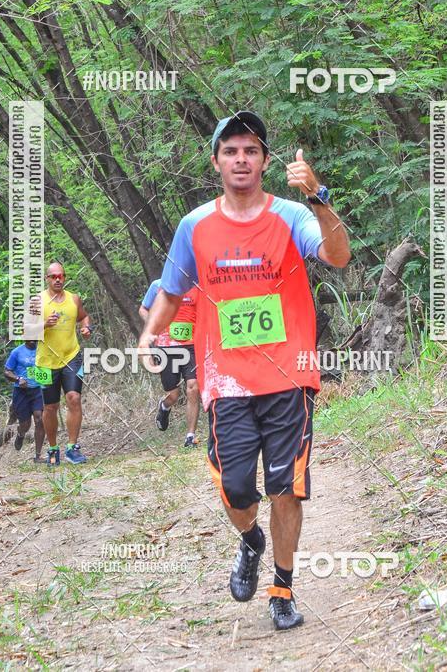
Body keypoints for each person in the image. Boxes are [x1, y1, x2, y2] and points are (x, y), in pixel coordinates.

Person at [138, 111, 350, 631]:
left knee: (286, 486)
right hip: (225, 381)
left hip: (288, 377)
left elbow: (338, 255)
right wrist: (149, 334)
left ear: (265, 162)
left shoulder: (293, 215)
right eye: (231, 151)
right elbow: (170, 291)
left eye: (251, 151)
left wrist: (319, 196)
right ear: (216, 162)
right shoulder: (195, 226)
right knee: (236, 489)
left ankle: (282, 588)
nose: (241, 159)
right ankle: (251, 539)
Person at [33, 262, 92, 466]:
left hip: (71, 356)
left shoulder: (74, 299)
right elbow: (24, 331)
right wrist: (44, 325)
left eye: (61, 276)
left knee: (73, 398)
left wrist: (86, 329)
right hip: (44, 362)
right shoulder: (37, 301)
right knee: (50, 407)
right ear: (47, 279)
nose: (58, 279)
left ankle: (72, 448)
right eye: (54, 276)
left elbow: (84, 318)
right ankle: (53, 449)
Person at [139, 280, 200, 448]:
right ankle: (164, 406)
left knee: (193, 387)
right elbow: (143, 309)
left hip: (191, 345)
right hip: (166, 346)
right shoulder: (158, 285)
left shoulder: (198, 285)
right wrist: (155, 326)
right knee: (174, 395)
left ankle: (190, 436)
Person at [4, 340, 45, 462]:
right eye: (29, 336)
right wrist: (18, 378)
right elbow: (7, 371)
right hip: (21, 392)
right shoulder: (17, 352)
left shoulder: (43, 349)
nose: (32, 339)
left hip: (38, 390)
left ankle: (38, 456)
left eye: (35, 336)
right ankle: (21, 434)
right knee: (25, 424)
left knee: (40, 419)